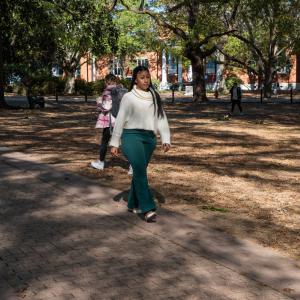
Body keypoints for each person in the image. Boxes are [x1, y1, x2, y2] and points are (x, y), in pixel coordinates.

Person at [110, 66, 171, 222]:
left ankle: (132, 202)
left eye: (147, 77)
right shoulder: (129, 97)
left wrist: (165, 138)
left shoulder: (154, 96)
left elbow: (161, 118)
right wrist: (115, 142)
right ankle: (148, 208)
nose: (145, 80)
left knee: (139, 171)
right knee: (139, 170)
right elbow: (120, 120)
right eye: (142, 77)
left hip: (149, 139)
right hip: (131, 137)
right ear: (135, 79)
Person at [91, 74, 128, 171]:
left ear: (106, 82)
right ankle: (133, 165)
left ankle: (101, 162)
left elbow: (106, 107)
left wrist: (99, 102)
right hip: (121, 120)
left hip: (110, 120)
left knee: (104, 141)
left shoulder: (107, 92)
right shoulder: (122, 90)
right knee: (125, 142)